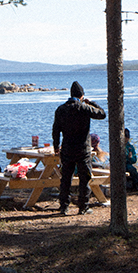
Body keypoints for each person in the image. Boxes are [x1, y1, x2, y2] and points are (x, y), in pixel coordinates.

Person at [53, 81, 106, 215]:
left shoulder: (61, 109)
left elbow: (55, 129)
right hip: (83, 149)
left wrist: (55, 146)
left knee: (66, 179)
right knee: (85, 179)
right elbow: (102, 114)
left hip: (67, 148)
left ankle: (64, 207)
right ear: (82, 96)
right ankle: (83, 206)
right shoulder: (83, 108)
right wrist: (91, 103)